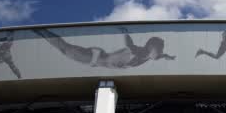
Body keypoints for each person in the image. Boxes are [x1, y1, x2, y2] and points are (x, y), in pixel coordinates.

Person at [33, 27, 176, 69]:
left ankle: (42, 32)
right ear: (151, 47)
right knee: (65, 48)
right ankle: (41, 31)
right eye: (159, 50)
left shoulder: (149, 56)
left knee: (64, 50)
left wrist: (168, 57)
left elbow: (159, 56)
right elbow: (129, 45)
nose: (159, 53)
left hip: (98, 61)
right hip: (96, 55)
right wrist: (125, 33)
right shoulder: (138, 52)